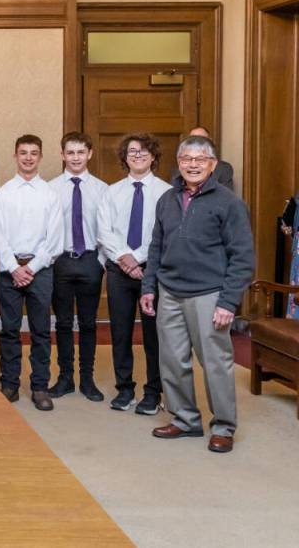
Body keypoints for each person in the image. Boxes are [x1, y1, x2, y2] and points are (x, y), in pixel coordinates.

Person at [141, 135, 254, 454]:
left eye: (200, 159)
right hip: (170, 291)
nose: (193, 165)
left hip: (209, 294)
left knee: (216, 362)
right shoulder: (167, 199)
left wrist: (228, 300)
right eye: (187, 159)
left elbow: (243, 256)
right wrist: (149, 287)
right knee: (173, 360)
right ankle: (185, 419)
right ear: (178, 163)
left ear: (213, 164)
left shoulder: (229, 202)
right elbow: (156, 247)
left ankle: (223, 426)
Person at [97, 134, 172, 415]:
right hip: (119, 271)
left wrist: (137, 258)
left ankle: (153, 392)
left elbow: (162, 233)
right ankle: (124, 388)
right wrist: (125, 259)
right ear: (124, 157)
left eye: (143, 151)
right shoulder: (111, 192)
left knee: (153, 336)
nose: (137, 155)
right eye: (131, 151)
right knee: (120, 331)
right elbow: (104, 230)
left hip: (152, 271)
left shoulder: (166, 193)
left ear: (153, 156)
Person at [0, 135, 63, 411]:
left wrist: (30, 269)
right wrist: (14, 268)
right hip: (9, 271)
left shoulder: (50, 195)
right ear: (15, 156)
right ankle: (9, 383)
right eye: (23, 153)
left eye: (34, 153)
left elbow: (54, 240)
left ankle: (39, 386)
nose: (29, 158)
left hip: (40, 270)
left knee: (41, 331)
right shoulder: (3, 194)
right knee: (9, 330)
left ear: (41, 157)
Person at [47, 132, 109, 402]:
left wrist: (101, 262)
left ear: (89, 154)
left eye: (80, 152)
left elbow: (107, 230)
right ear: (62, 155)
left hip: (90, 261)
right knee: (62, 323)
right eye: (70, 153)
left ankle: (87, 378)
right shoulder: (50, 189)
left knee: (87, 323)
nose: (75, 158)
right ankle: (65, 378)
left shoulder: (102, 190)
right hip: (61, 261)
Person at [169, 126, 234, 191]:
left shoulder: (223, 168)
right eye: (192, 140)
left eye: (201, 140)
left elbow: (225, 196)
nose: (196, 143)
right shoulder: (179, 169)